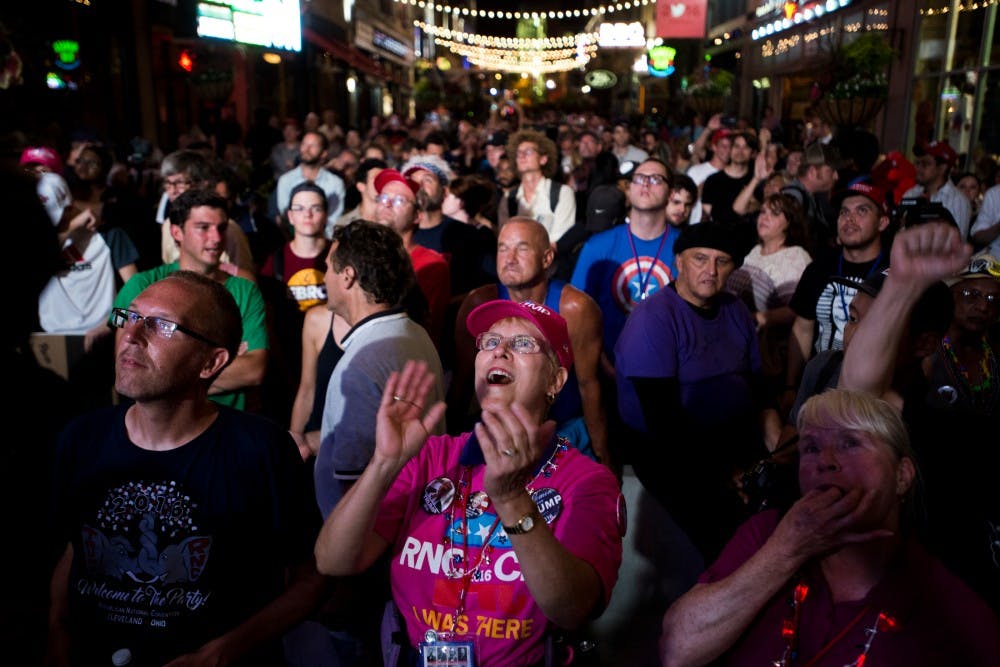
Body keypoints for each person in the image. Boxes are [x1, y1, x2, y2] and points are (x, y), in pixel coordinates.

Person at [313, 300, 624, 666]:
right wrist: (383, 463)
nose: (500, 351)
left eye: (523, 344)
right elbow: (334, 560)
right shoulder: (432, 457)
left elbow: (572, 609)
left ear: (555, 381)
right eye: (489, 342)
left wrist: (511, 500)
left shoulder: (587, 482)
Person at [47, 270, 326, 667]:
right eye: (129, 316)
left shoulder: (261, 450)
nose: (131, 334)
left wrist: (222, 653)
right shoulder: (80, 439)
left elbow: (310, 580)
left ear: (211, 362)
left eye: (160, 325)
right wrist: (57, 631)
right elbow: (73, 549)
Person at [659, 388, 1000, 667]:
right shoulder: (768, 532)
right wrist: (787, 550)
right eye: (811, 448)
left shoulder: (944, 603)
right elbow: (678, 650)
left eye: (851, 442)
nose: (825, 461)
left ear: (902, 475)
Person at [615, 222, 772, 561]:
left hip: (732, 435)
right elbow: (662, 420)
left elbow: (758, 386)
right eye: (700, 259)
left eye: (722, 261)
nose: (711, 271)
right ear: (679, 262)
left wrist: (766, 451)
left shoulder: (735, 309)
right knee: (728, 532)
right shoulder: (654, 317)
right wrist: (724, 473)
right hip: (668, 448)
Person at [452, 218, 609, 466]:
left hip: (563, 430)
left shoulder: (575, 308)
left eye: (522, 248)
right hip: (496, 429)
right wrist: (451, 446)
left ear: (547, 259)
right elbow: (461, 384)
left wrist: (604, 457)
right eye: (502, 248)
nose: (509, 258)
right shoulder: (479, 302)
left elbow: (589, 386)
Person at [315, 219, 445, 516]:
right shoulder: (414, 333)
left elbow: (356, 487)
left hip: (369, 542)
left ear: (347, 276)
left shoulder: (362, 364)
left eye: (327, 267)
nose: (324, 278)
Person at [113, 189, 268, 411]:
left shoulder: (245, 291)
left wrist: (162, 375)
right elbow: (126, 361)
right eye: (203, 228)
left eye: (221, 228)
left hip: (224, 424)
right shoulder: (139, 285)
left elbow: (253, 370)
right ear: (177, 232)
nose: (216, 238)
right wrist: (220, 366)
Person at [786, 182, 891, 404]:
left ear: (882, 222)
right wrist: (790, 386)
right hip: (820, 384)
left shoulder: (896, 273)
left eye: (862, 210)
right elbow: (803, 328)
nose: (849, 219)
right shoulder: (819, 267)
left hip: (875, 392)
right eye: (844, 212)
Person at [572, 158, 683, 366]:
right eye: (639, 178)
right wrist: (596, 356)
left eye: (656, 179)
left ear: (670, 194)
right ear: (629, 190)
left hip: (669, 366)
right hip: (608, 364)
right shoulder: (597, 247)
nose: (646, 184)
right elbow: (577, 312)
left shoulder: (686, 248)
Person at [726, 193, 812, 392]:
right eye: (762, 212)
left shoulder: (796, 256)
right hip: (742, 350)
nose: (764, 218)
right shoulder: (755, 251)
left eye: (774, 214)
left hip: (772, 358)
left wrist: (757, 318)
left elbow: (797, 310)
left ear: (789, 223)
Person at [372, 168, 451, 350]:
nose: (388, 204)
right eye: (383, 198)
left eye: (399, 200)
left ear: (417, 216)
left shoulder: (432, 264)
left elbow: (429, 331)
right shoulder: (363, 257)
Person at [497, 130, 576, 243]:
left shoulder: (562, 193)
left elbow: (561, 237)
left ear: (543, 159)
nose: (522, 156)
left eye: (528, 151)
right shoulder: (509, 198)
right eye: (519, 153)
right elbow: (505, 237)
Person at [274, 129, 347, 237]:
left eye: (313, 145)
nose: (306, 149)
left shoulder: (335, 183)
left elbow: (334, 220)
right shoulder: (286, 180)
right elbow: (287, 217)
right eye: (304, 144)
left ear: (323, 153)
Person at [905, 139, 971, 240]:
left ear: (942, 168)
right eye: (917, 163)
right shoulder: (912, 193)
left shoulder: (958, 200)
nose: (918, 168)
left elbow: (958, 244)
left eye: (925, 164)